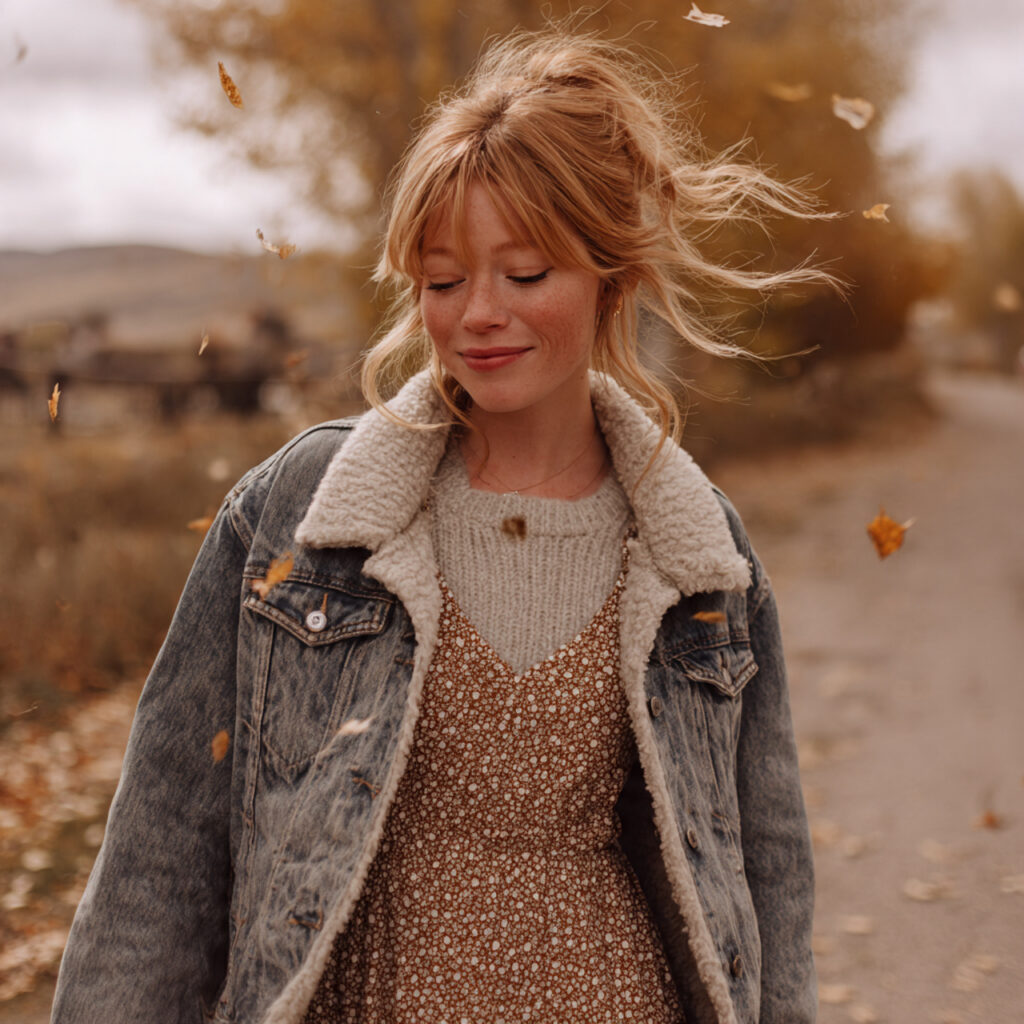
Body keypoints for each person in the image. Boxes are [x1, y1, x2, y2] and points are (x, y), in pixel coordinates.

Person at [51, 26, 830, 1024]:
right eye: (443, 279)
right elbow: (163, 850)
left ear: (607, 272)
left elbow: (766, 868)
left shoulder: (698, 553)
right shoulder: (298, 515)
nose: (478, 316)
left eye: (525, 272)